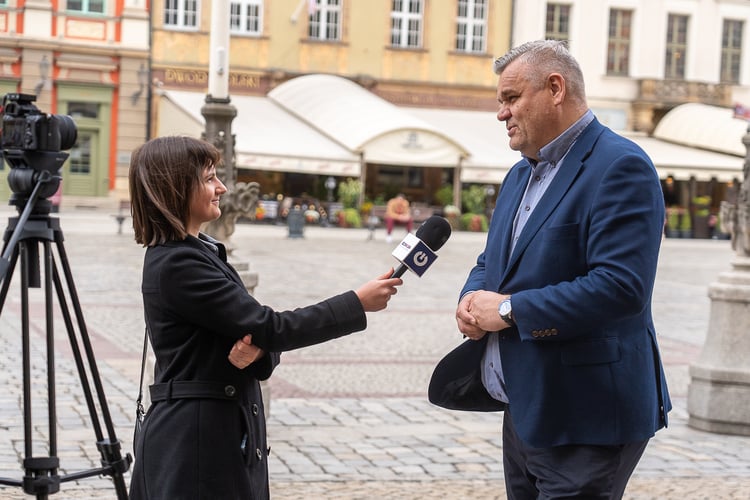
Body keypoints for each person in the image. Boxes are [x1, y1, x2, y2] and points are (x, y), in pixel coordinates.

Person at [432, 40, 672, 498]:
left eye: (510, 98)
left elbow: (621, 287)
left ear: (555, 88)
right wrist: (471, 297)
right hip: (525, 404)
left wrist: (506, 310)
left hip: (588, 414)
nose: (501, 113)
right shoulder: (520, 172)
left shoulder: (621, 166)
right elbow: (493, 262)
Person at [127, 135, 402, 499]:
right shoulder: (177, 263)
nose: (222, 187)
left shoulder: (203, 251)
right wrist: (356, 303)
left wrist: (260, 351)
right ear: (176, 185)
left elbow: (259, 336)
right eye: (210, 178)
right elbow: (270, 327)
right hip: (195, 448)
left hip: (219, 438)